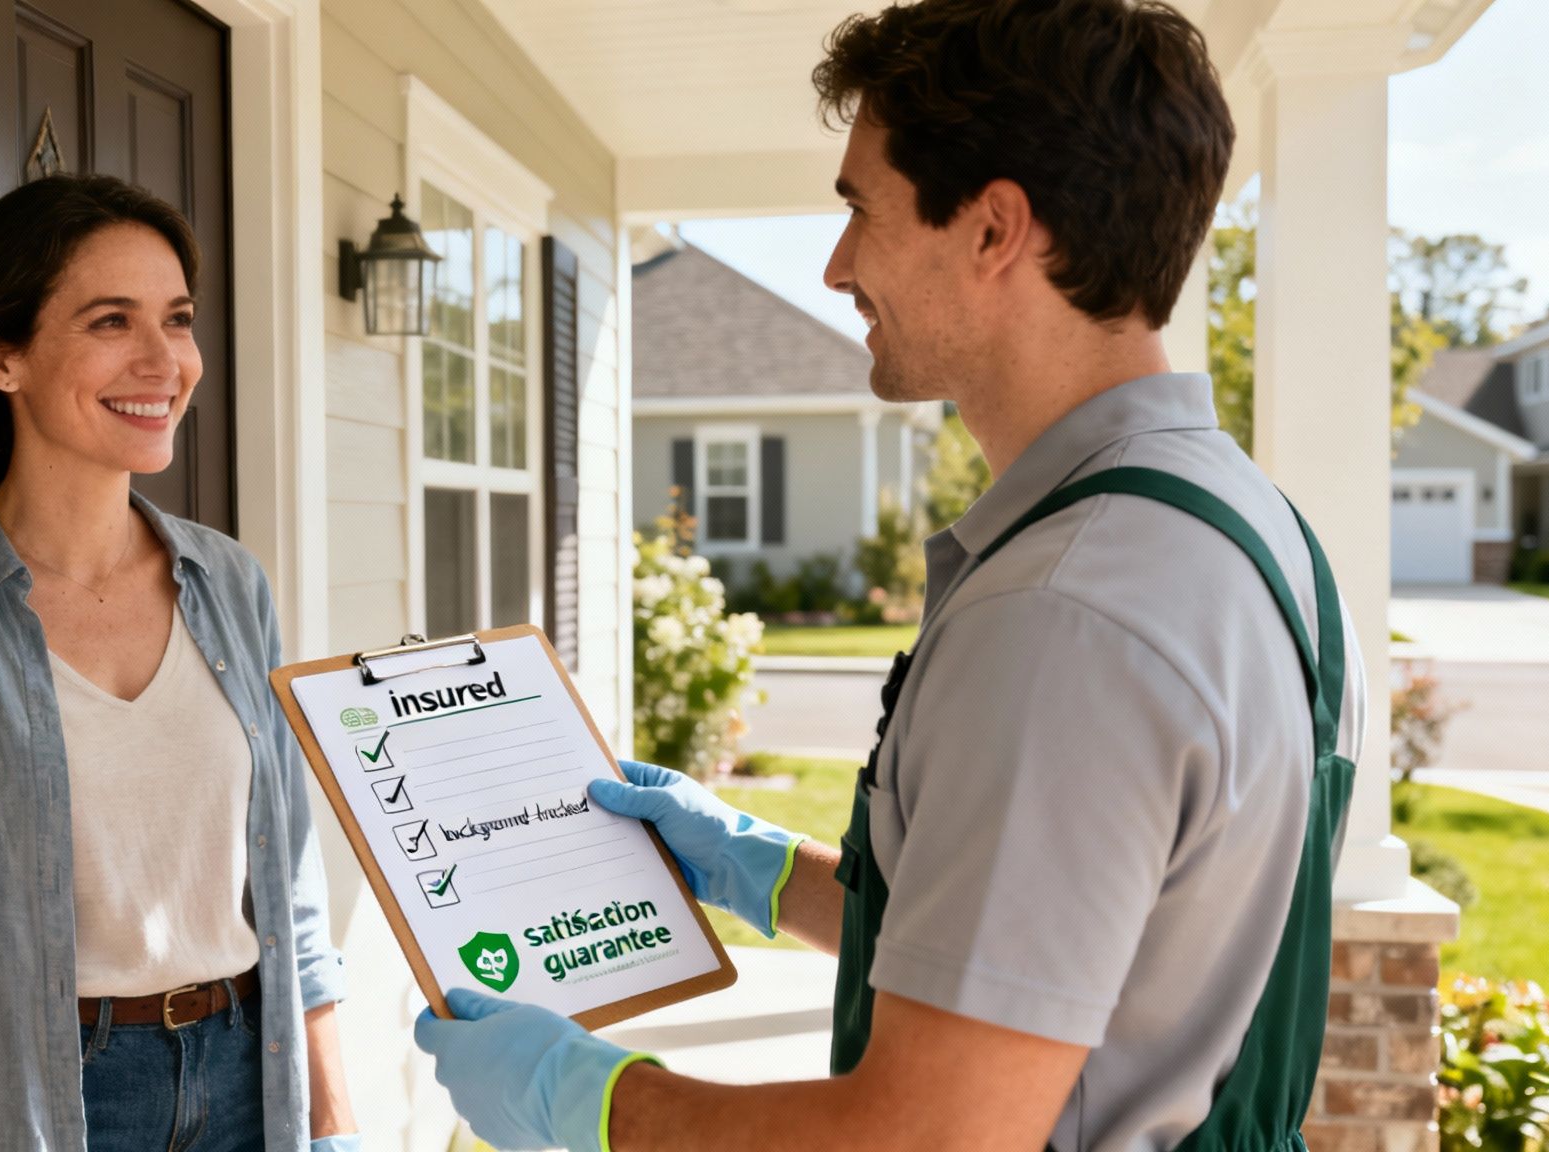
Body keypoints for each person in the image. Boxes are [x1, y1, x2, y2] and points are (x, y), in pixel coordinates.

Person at [413, 2, 1366, 1150]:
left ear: (991, 229)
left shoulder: (1064, 614)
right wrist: (761, 870)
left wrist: (589, 1102)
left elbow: (923, 1138)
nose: (834, 264)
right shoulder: (1255, 539)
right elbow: (1069, 952)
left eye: (860, 207)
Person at [0, 173, 358, 1152]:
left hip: (245, 1071)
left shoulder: (229, 582)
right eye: (110, 321)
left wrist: (334, 1119)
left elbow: (287, 880)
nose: (163, 361)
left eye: (176, 320)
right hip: (46, 1095)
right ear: (0, 357)